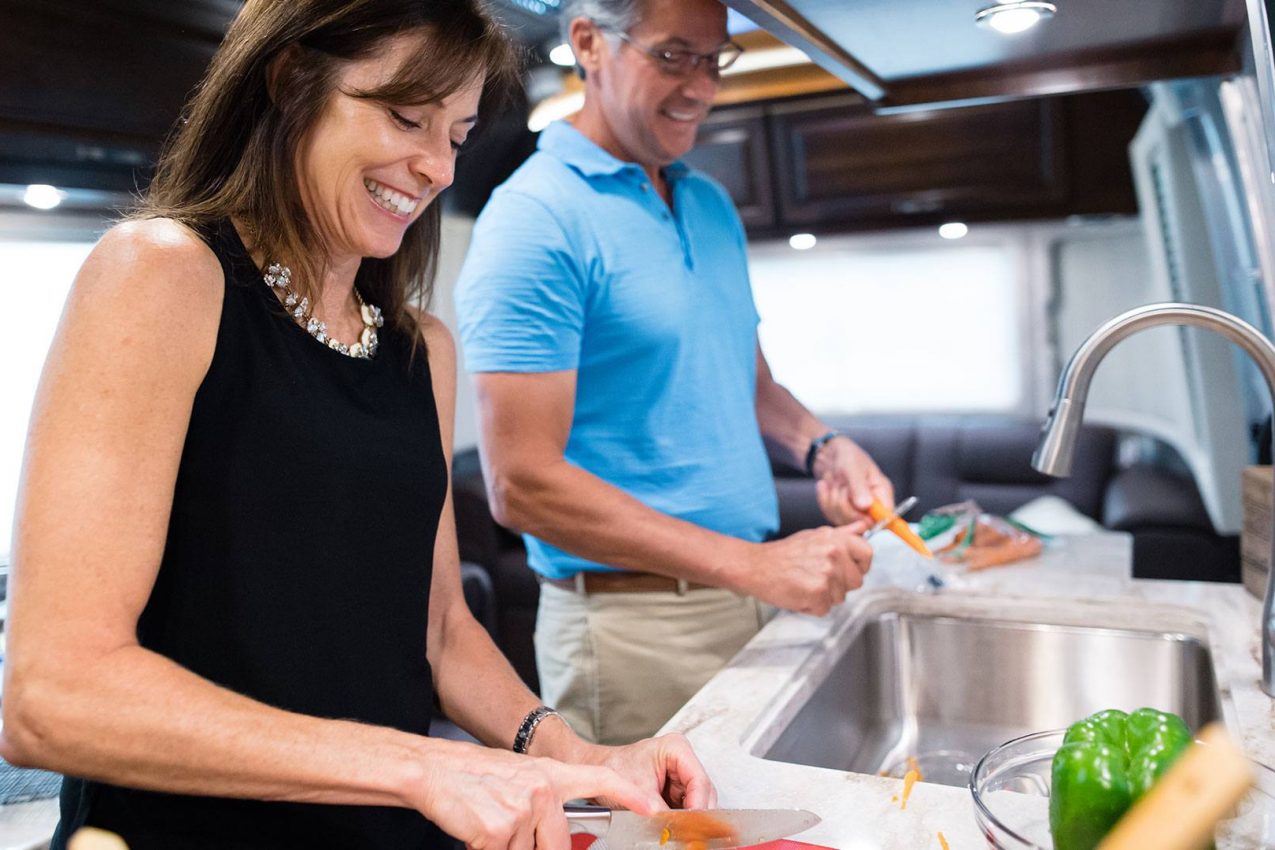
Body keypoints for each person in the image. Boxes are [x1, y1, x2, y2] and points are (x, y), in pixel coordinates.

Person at [0, 2, 715, 848]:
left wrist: (582, 756)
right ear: (291, 79)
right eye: (406, 117)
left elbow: (441, 631)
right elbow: (52, 697)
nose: (436, 167)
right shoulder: (163, 275)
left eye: (456, 136)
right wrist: (423, 766)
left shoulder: (422, 351)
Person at [454, 0, 893, 747]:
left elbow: (750, 383)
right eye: (672, 56)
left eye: (714, 59)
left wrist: (824, 447)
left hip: (749, 601)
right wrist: (754, 566)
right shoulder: (533, 218)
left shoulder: (708, 202)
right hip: (631, 631)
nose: (701, 86)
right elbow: (520, 483)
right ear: (588, 43)